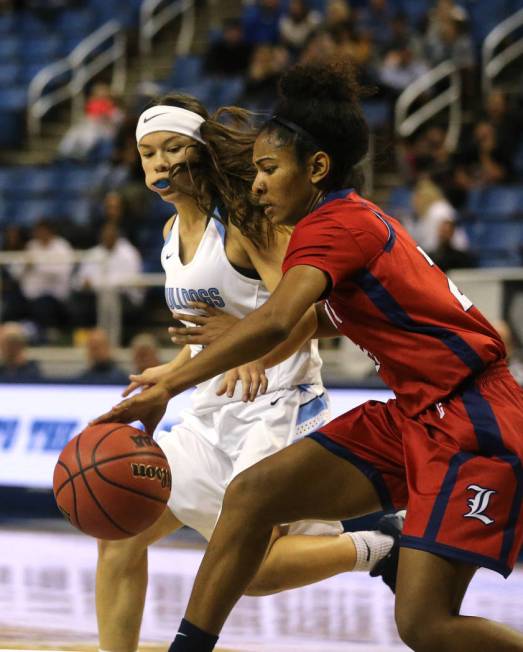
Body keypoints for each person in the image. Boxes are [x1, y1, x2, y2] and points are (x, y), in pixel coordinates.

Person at [93, 63, 523, 652]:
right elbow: (313, 321)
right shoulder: (332, 221)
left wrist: (184, 378)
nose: (258, 184)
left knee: (424, 625)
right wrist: (193, 365)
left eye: (269, 170)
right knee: (250, 500)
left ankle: (378, 549)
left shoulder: (333, 226)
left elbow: (275, 317)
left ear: (316, 168)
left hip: (475, 422)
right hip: (414, 413)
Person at [94, 93, 400, 652]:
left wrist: (257, 354)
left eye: (171, 150)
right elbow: (211, 329)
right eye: (147, 154)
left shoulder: (242, 221)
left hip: (281, 402)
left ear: (201, 152)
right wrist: (175, 366)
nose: (159, 164)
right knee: (121, 531)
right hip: (212, 411)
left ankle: (381, 545)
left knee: (250, 572)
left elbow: (304, 310)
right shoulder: (168, 239)